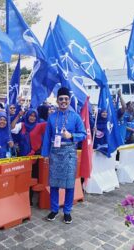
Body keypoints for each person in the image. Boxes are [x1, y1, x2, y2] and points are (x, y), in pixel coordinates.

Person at [41, 87, 86, 224]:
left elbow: (84, 135)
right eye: (61, 99)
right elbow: (47, 136)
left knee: (69, 185)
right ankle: (54, 209)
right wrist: (45, 154)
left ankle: (67, 211)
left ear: (69, 100)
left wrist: (71, 135)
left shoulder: (75, 117)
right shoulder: (52, 117)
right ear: (57, 100)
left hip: (69, 153)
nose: (63, 101)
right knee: (53, 183)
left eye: (66, 99)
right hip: (55, 152)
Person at [11, 109, 47, 205]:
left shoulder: (40, 126)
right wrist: (18, 116)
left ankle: (29, 199)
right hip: (22, 156)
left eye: (34, 116)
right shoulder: (22, 125)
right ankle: (20, 198)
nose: (32, 118)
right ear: (27, 116)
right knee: (21, 178)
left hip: (34, 156)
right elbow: (12, 128)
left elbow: (50, 126)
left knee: (31, 178)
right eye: (30, 115)